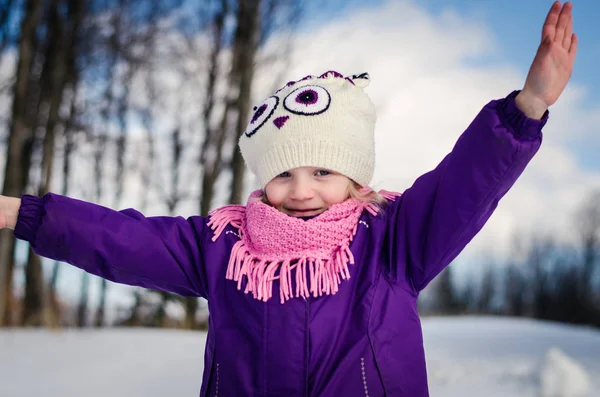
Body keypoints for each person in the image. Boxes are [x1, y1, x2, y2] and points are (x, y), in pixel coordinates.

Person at [0, 1, 577, 396]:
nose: (301, 191)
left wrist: (528, 105)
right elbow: (120, 240)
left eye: (323, 170)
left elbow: (466, 181)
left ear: (355, 178)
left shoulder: (393, 241)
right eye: (283, 175)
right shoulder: (224, 247)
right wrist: (21, 213)